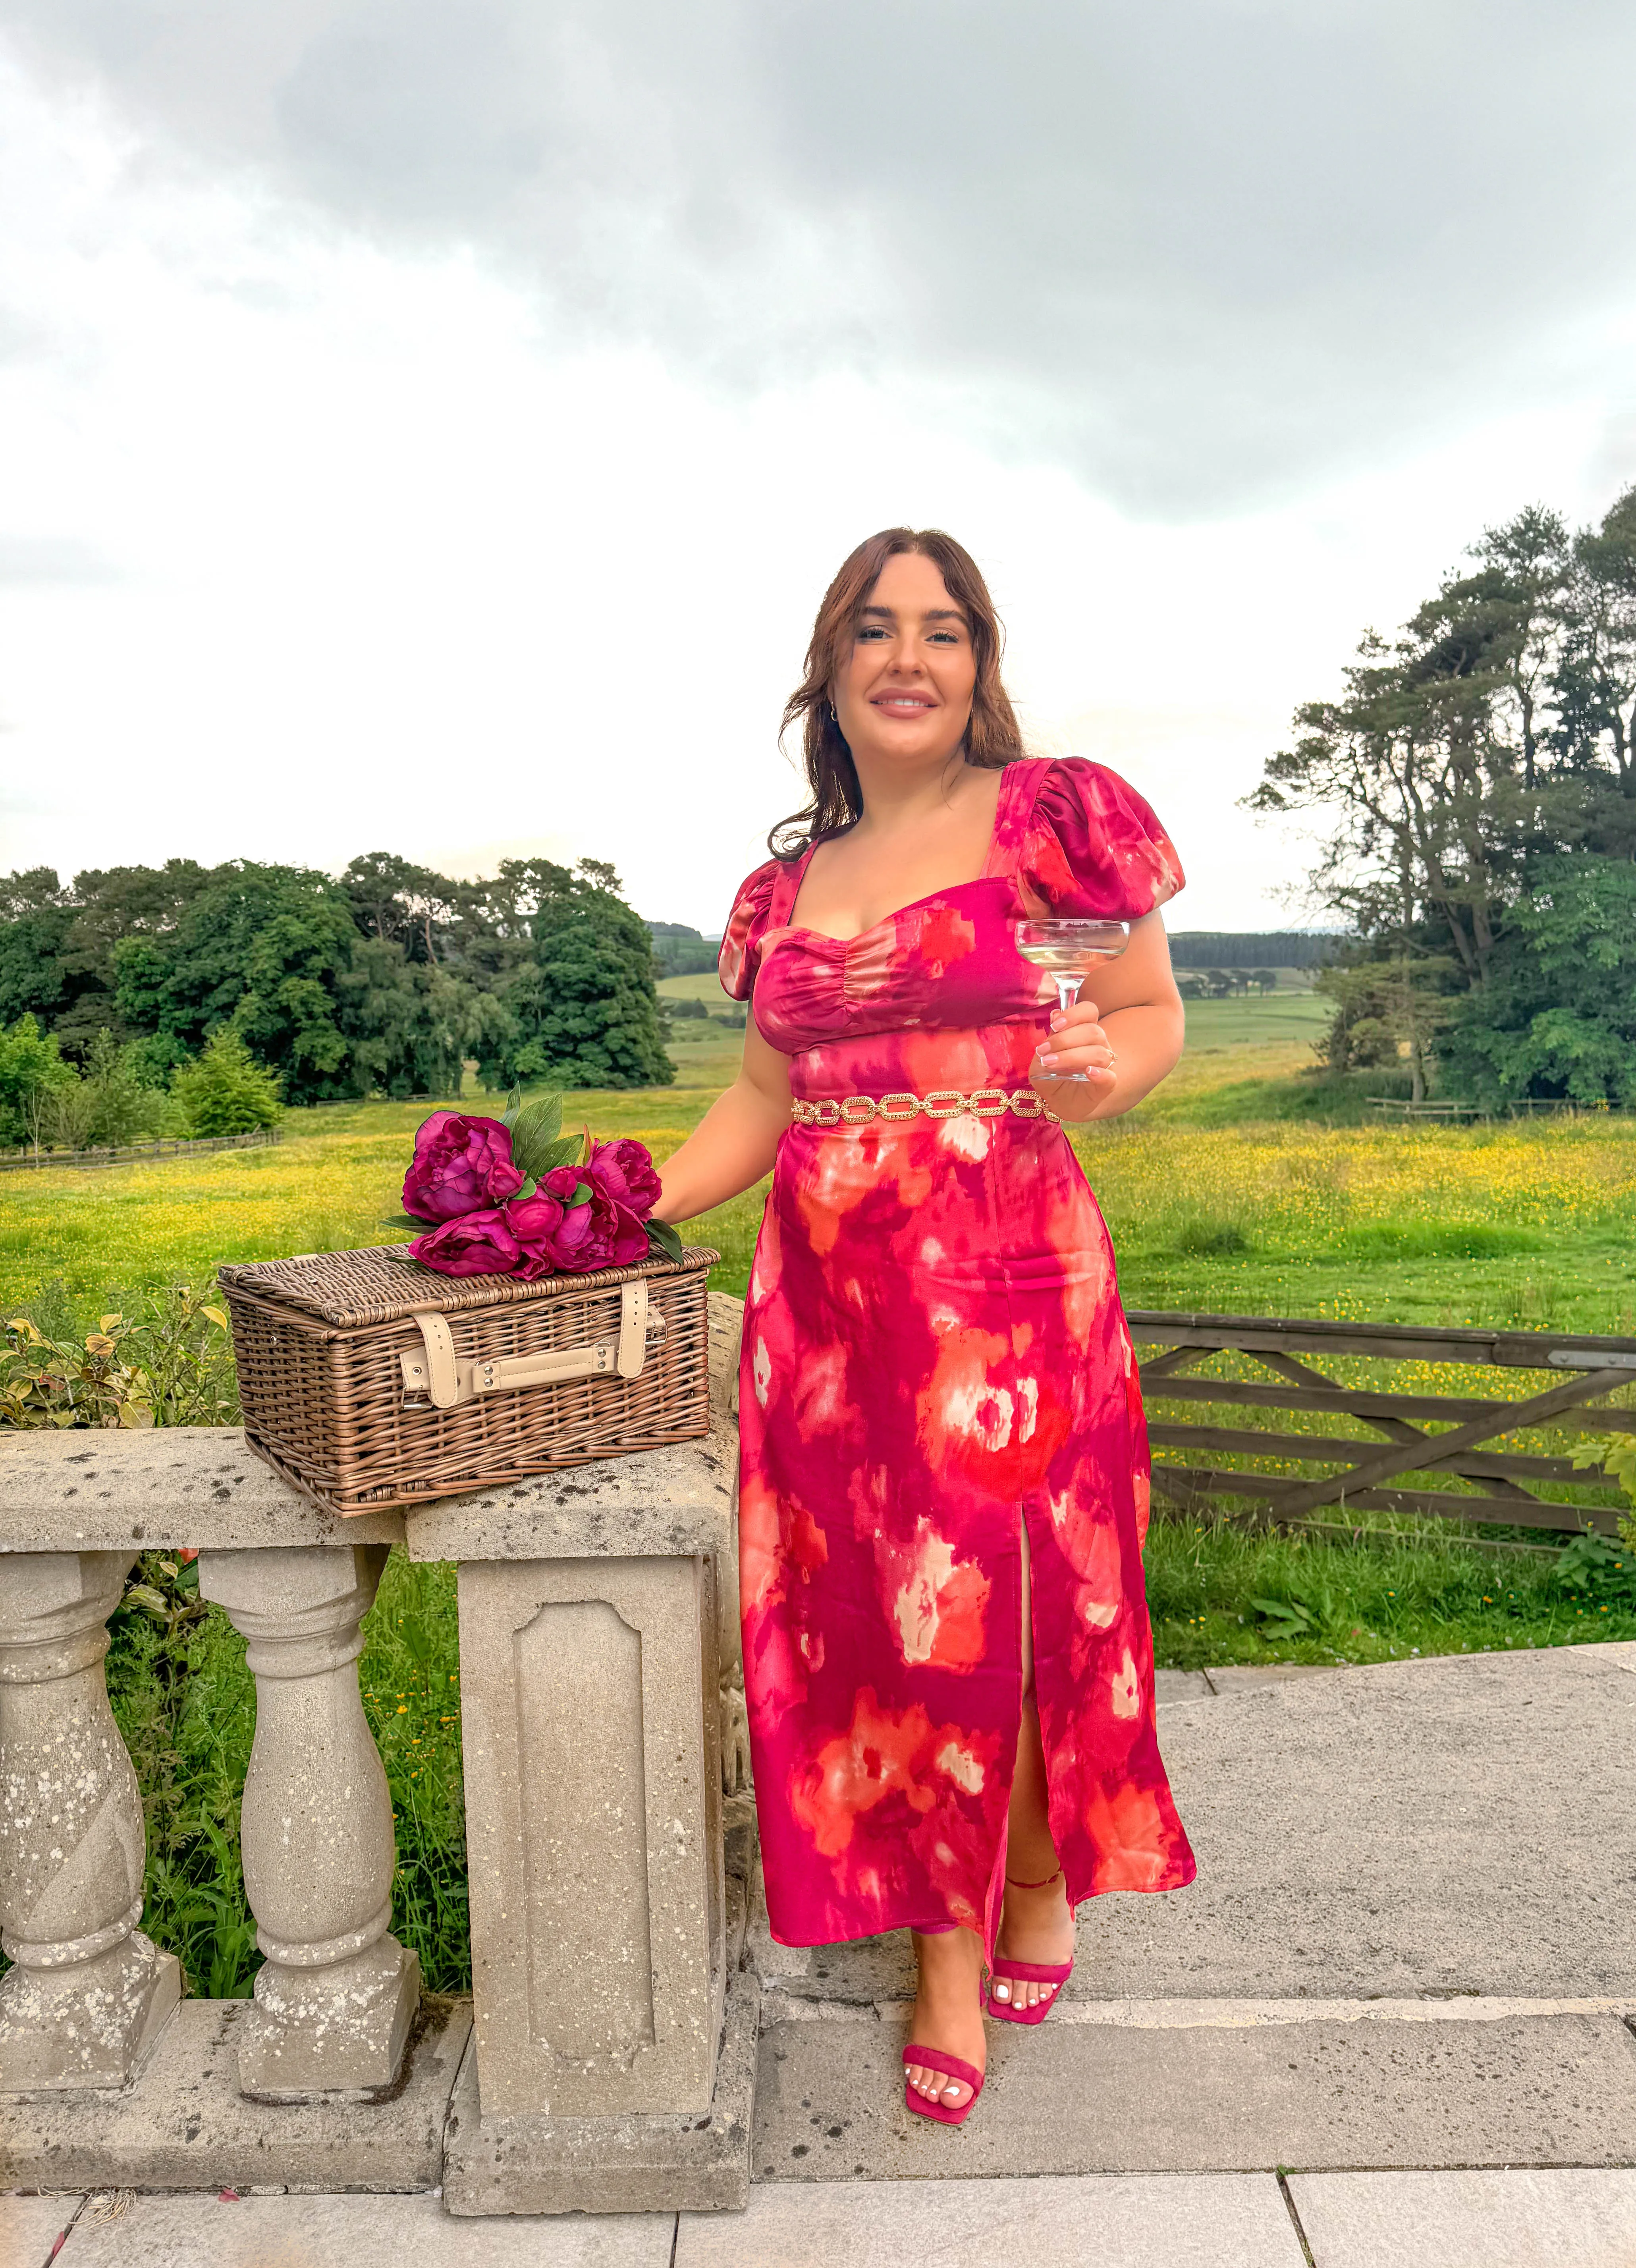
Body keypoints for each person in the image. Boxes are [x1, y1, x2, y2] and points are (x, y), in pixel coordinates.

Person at [653, 526, 1196, 2126]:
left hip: (1011, 1284)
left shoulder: (1048, 823)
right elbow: (761, 1098)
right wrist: (617, 1208)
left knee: (1006, 1613)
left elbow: (1146, 1014)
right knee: (881, 1635)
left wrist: (1107, 1071)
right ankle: (975, 1900)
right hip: (825, 1318)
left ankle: (989, 1918)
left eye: (945, 630)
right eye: (877, 629)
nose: (911, 656)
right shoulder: (782, 888)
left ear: (981, 666)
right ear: (829, 667)